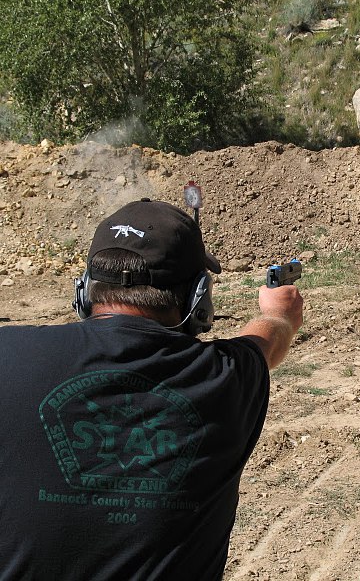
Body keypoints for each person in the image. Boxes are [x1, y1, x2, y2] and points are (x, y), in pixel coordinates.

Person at [0, 198, 303, 580]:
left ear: (84, 290)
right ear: (198, 297)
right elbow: (268, 341)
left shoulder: (6, 356)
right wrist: (276, 313)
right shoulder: (226, 379)